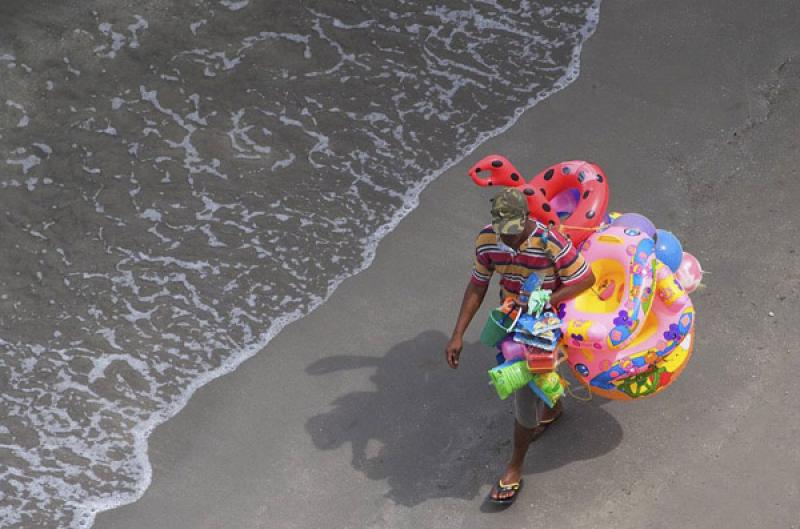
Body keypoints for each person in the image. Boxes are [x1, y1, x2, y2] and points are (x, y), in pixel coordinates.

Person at [444, 187, 595, 505]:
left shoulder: (550, 242)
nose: (509, 240)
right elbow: (478, 283)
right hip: (510, 315)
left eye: (514, 232)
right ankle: (553, 409)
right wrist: (458, 334)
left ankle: (514, 467)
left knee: (523, 386)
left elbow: (586, 278)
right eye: (504, 232)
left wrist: (547, 300)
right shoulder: (487, 241)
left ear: (526, 218)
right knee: (539, 374)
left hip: (546, 319)